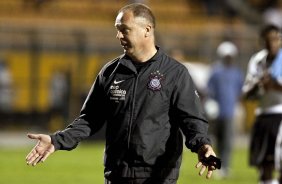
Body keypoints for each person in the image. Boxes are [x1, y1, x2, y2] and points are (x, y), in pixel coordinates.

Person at [25, 3, 218, 184]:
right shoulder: (110, 72)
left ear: (147, 30)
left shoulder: (175, 73)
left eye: (124, 29)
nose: (118, 36)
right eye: (117, 29)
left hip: (157, 176)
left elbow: (191, 119)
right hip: (117, 174)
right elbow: (89, 119)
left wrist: (203, 145)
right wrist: (56, 140)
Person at [242, 24, 282, 184]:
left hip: (280, 114)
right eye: (268, 40)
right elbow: (247, 92)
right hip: (263, 114)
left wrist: (273, 84)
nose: (272, 43)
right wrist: (259, 83)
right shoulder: (257, 60)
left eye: (275, 39)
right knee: (264, 166)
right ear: (262, 42)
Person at [206, 41, 244, 178]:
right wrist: (210, 104)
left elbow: (240, 91)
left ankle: (226, 167)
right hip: (216, 112)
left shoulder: (237, 73)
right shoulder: (215, 71)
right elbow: (209, 90)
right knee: (216, 140)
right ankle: (215, 166)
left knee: (227, 142)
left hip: (229, 112)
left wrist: (239, 107)